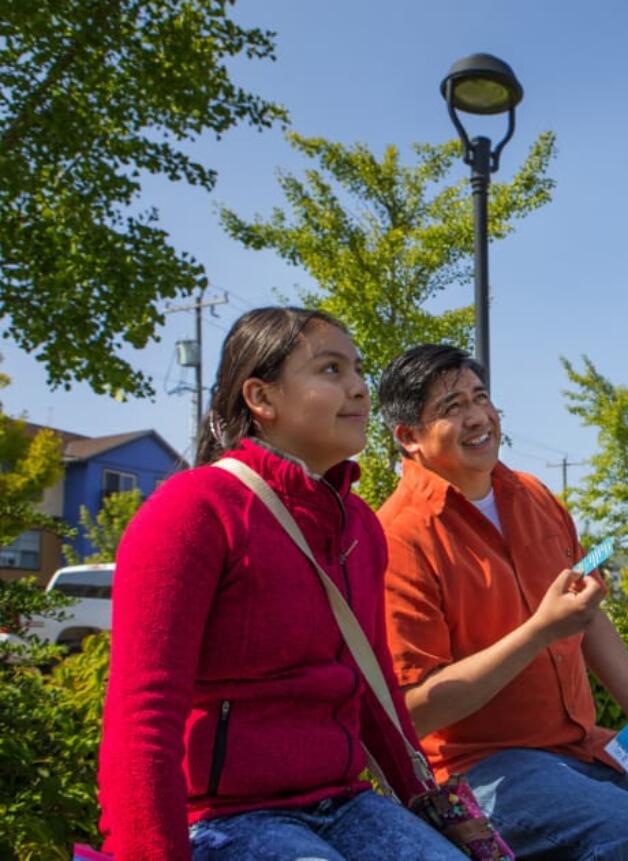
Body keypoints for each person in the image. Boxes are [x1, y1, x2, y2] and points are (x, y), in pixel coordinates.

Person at [98, 308, 465, 861]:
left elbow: (373, 688)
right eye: (331, 369)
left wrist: (430, 812)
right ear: (261, 398)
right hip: (225, 818)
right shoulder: (194, 511)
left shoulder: (359, 524)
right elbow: (142, 714)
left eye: (358, 370)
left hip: (346, 802)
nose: (360, 388)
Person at [376, 344, 628, 861]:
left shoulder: (533, 495)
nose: (477, 417)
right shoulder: (398, 537)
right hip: (477, 767)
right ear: (408, 438)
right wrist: (539, 631)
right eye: (452, 408)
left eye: (481, 397)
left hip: (578, 746)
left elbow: (589, 618)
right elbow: (414, 711)